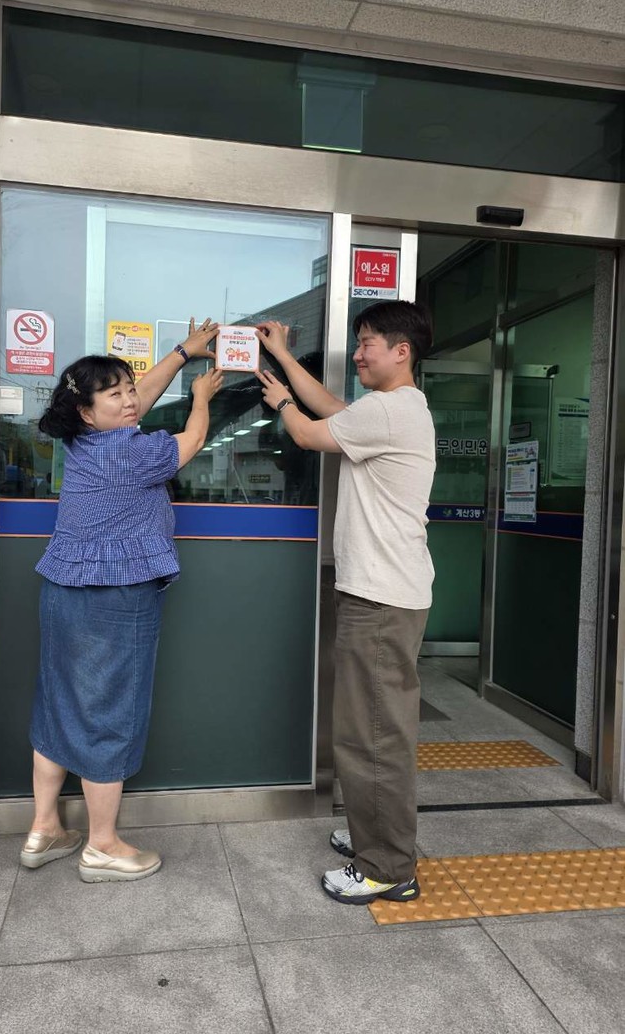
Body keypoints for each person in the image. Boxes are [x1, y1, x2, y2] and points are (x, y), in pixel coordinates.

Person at [20, 318, 221, 883]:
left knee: (58, 704)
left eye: (129, 388)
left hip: (62, 591)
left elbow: (134, 404)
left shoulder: (82, 439)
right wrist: (201, 396)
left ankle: (44, 829)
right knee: (108, 712)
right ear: (88, 411)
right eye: (116, 394)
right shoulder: (133, 452)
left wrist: (181, 352)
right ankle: (103, 845)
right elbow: (191, 441)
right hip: (115, 598)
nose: (131, 400)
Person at [255, 302, 435, 905]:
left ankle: (387, 865)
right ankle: (373, 833)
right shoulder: (392, 409)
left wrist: (280, 402)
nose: (357, 354)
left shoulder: (388, 409)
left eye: (366, 344)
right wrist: (283, 358)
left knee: (373, 736)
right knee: (370, 729)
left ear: (401, 351)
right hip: (385, 592)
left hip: (381, 598)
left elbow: (310, 432)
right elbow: (332, 410)